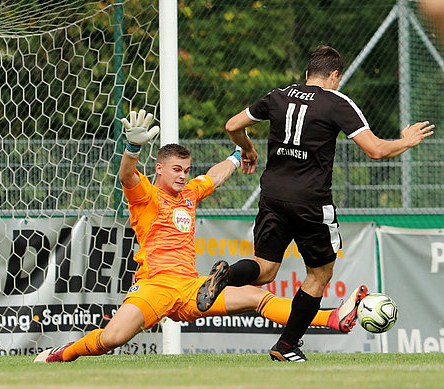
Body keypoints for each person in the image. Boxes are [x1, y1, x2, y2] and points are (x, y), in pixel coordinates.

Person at [34, 109, 367, 363]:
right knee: (112, 339)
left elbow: (213, 177)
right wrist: (132, 148)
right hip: (154, 286)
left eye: (186, 170)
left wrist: (239, 156)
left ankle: (332, 317)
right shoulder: (147, 196)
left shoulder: (190, 193)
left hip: (193, 288)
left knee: (255, 297)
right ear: (160, 169)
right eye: (176, 170)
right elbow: (126, 174)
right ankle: (64, 353)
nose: (183, 176)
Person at [197, 45, 434, 362]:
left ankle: (226, 276)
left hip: (272, 195)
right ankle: (286, 345)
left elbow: (232, 125)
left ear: (307, 74)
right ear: (335, 75)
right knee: (320, 274)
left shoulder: (278, 96)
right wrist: (407, 141)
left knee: (265, 269)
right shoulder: (337, 103)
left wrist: (248, 151)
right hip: (310, 202)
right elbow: (375, 150)